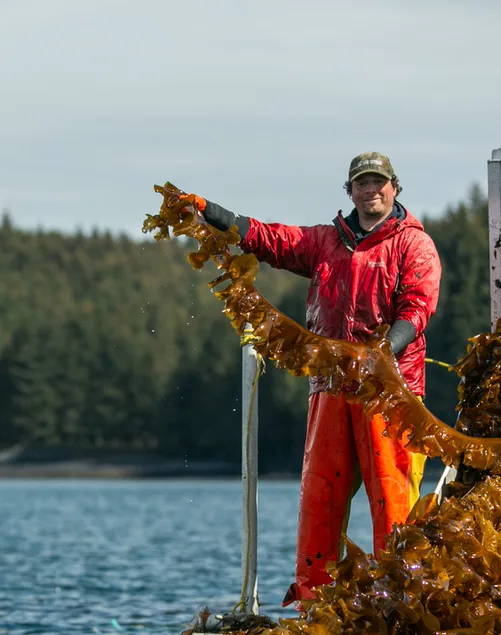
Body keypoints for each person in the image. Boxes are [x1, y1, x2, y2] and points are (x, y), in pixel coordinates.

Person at [187, 152, 441, 606]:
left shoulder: (413, 245)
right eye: (362, 183)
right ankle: (312, 604)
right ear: (350, 192)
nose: (372, 190)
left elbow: (418, 307)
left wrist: (384, 352)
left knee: (394, 501)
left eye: (379, 182)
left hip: (391, 391)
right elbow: (270, 239)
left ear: (395, 188)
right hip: (330, 390)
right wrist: (212, 212)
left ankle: (400, 601)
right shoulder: (327, 242)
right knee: (318, 501)